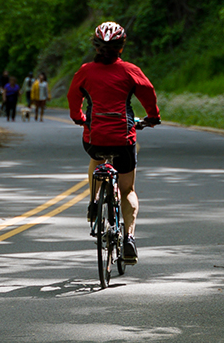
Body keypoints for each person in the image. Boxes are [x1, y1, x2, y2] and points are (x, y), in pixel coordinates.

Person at [67, 22, 160, 265]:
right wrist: (152, 117)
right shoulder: (130, 71)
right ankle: (129, 238)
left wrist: (79, 117)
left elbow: (73, 96)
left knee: (95, 159)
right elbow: (148, 93)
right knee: (128, 190)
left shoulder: (85, 71)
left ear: (96, 47)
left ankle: (94, 202)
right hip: (123, 138)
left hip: (94, 137)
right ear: (121, 47)